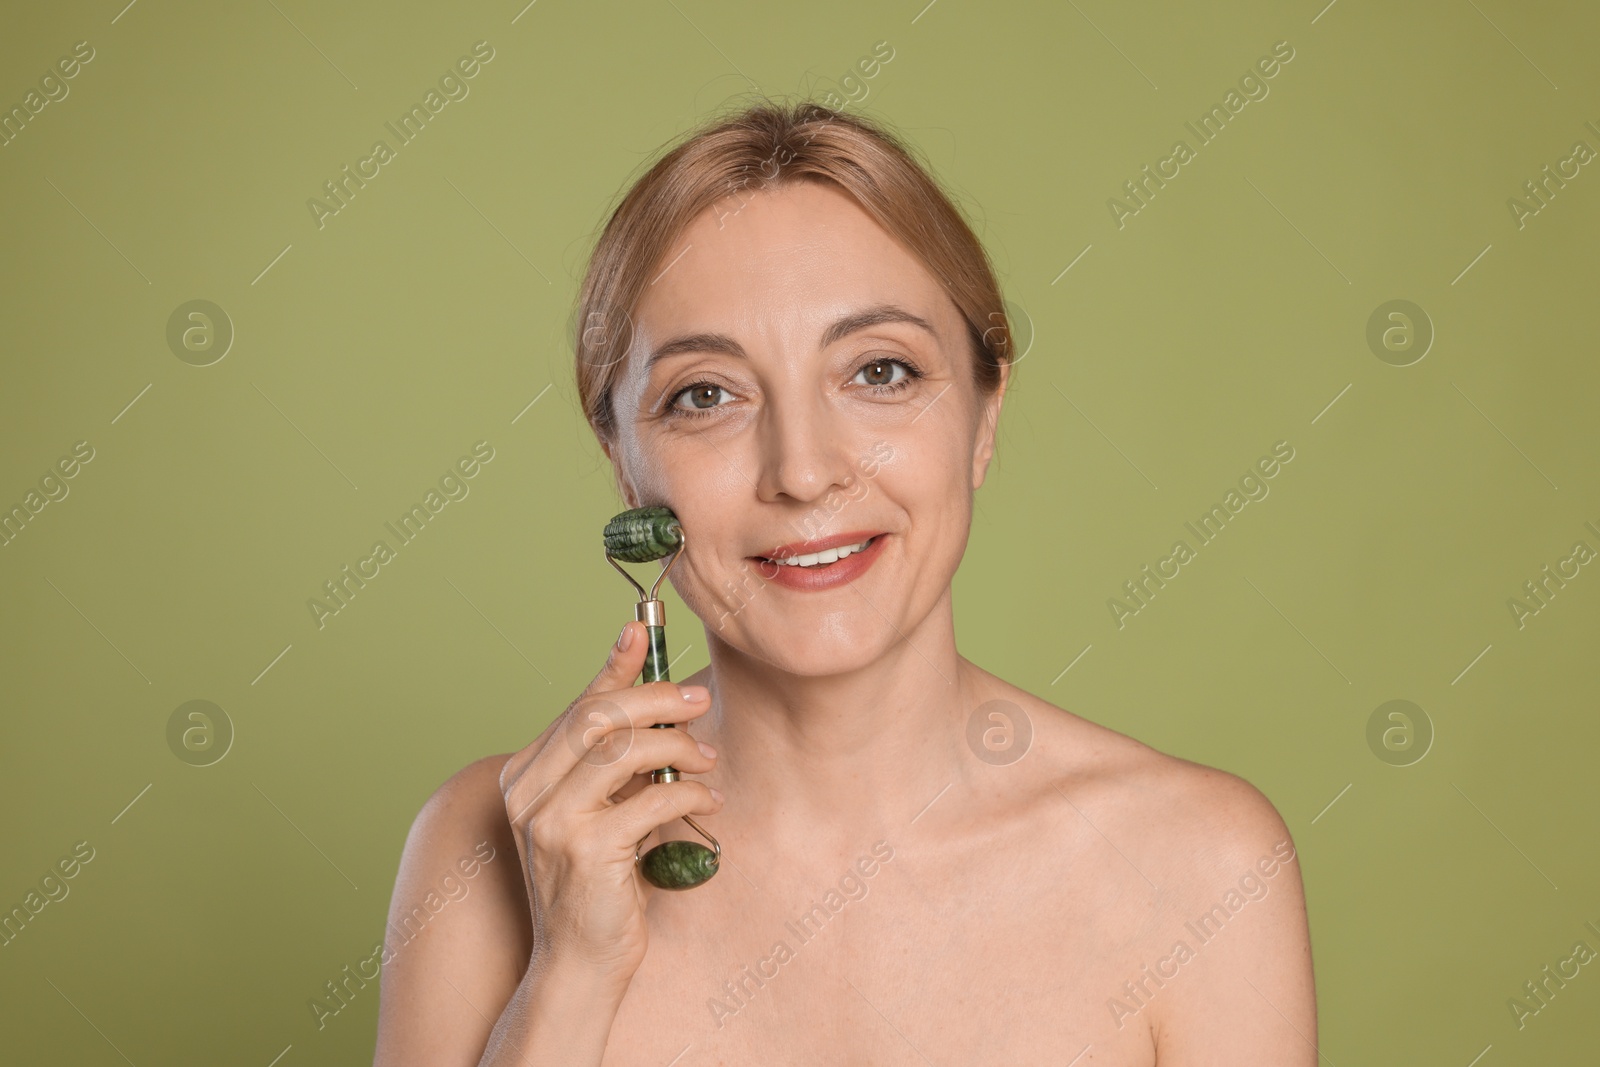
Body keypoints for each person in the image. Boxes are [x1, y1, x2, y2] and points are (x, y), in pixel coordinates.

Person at [373, 98, 1316, 1066]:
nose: (804, 469)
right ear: (622, 459)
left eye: (879, 371)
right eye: (705, 394)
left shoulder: (1196, 864)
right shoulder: (485, 844)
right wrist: (570, 975)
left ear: (983, 416)